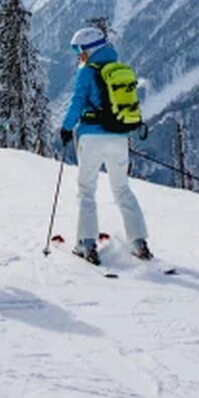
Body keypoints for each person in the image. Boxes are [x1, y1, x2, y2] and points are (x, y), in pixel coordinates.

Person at [59, 26, 151, 265]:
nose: (78, 55)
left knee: (87, 190)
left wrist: (67, 128)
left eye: (80, 50)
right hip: (119, 137)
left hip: (91, 137)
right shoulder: (119, 69)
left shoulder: (87, 72)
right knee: (122, 189)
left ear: (89, 49)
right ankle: (139, 243)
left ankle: (86, 244)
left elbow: (77, 103)